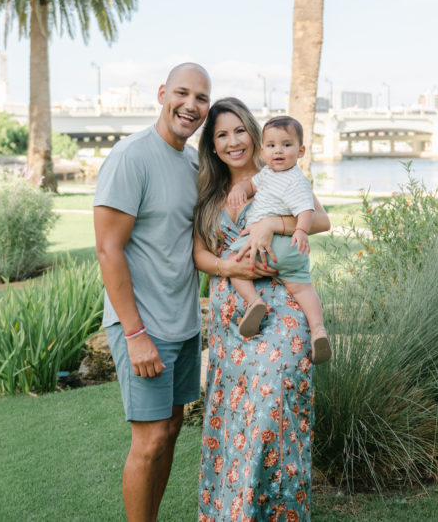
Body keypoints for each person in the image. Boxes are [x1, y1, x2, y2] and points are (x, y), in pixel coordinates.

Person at [193, 97, 331, 521]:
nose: (233, 142)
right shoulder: (208, 193)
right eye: (221, 135)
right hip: (231, 314)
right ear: (213, 146)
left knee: (274, 404)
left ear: (254, 134)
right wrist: (227, 265)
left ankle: (276, 513)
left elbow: (321, 221)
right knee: (236, 416)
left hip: (282, 306)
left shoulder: (278, 175)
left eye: (239, 131)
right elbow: (199, 253)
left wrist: (272, 223)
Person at [93, 62, 211, 522]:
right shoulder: (131, 156)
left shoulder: (192, 161)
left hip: (183, 324)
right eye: (182, 93)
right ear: (163, 93)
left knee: (172, 429)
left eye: (201, 98)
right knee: (149, 439)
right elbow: (108, 250)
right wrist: (135, 332)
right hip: (143, 325)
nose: (191, 105)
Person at [225, 115, 331, 364]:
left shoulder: (294, 180)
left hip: (261, 244)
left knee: (234, 264)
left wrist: (301, 230)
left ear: (301, 150)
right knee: (303, 288)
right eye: (271, 146)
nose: (278, 151)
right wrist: (241, 188)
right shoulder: (272, 175)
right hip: (290, 250)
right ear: (263, 150)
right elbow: (251, 185)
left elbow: (309, 212)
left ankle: (254, 302)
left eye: (286, 145)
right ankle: (318, 330)